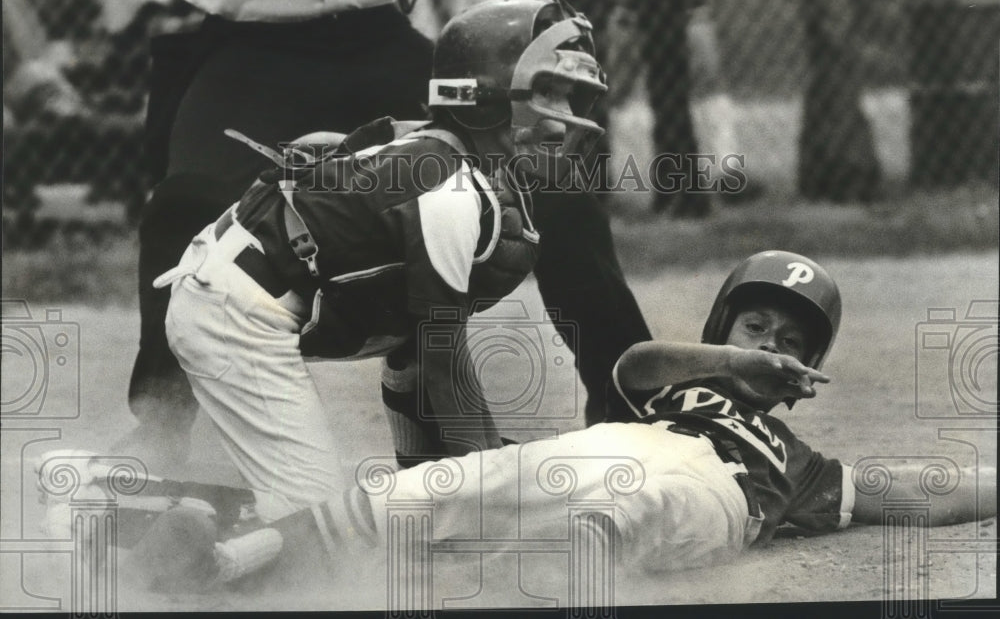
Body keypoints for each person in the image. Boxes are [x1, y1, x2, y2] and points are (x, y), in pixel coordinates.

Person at [41, 250, 994, 591]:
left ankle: (207, 554)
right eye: (756, 321)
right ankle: (197, 555)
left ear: (808, 371)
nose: (770, 337)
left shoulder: (804, 464)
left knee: (624, 512)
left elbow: (911, 489)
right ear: (723, 333)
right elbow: (635, 362)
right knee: (435, 493)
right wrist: (733, 364)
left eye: (790, 337)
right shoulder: (672, 388)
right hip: (609, 449)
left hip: (707, 495)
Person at [122, 0, 651, 472]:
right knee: (184, 201)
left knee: (553, 189)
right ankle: (161, 426)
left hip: (380, 33)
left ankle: (630, 403)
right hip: (250, 50)